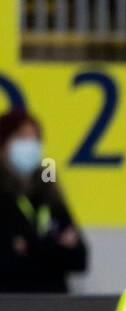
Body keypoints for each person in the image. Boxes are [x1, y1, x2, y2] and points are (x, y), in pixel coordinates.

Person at [0, 107, 87, 292]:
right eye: (22, 137)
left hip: (53, 306)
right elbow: (7, 265)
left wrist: (28, 246)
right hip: (10, 307)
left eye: (35, 138)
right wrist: (56, 247)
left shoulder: (48, 188)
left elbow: (80, 258)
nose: (31, 144)